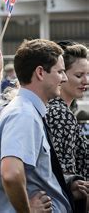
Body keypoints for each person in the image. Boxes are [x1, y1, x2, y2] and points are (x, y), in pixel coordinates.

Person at [0, 39, 88, 213]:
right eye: (60, 72)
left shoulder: (26, 111)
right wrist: (27, 211)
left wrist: (66, 187)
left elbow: (35, 177)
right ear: (40, 73)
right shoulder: (23, 114)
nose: (63, 78)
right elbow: (11, 174)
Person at [46, 42, 88, 180]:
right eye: (79, 75)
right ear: (61, 75)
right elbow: (64, 172)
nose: (86, 80)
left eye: (88, 74)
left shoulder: (59, 109)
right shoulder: (59, 113)